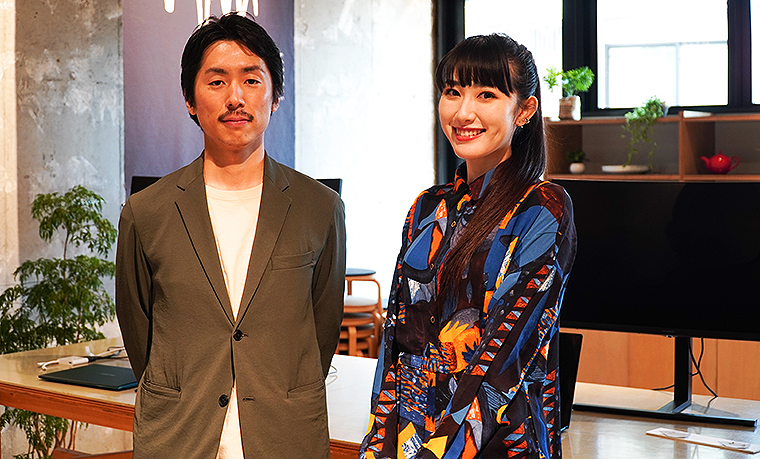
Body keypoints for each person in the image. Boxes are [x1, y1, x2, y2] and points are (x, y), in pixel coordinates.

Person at [116, 13, 346, 459]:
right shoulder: (147, 212)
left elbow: (322, 331)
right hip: (179, 436)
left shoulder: (319, 208)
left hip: (285, 436)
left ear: (275, 97)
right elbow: (139, 331)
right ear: (190, 99)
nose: (235, 98)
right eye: (217, 81)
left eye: (252, 80)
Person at [360, 34, 577, 459]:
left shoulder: (543, 209)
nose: (463, 112)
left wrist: (434, 453)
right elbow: (395, 345)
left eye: (487, 95)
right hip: (412, 439)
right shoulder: (427, 208)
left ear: (525, 110)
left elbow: (501, 360)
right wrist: (376, 446)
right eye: (453, 92)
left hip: (498, 445)